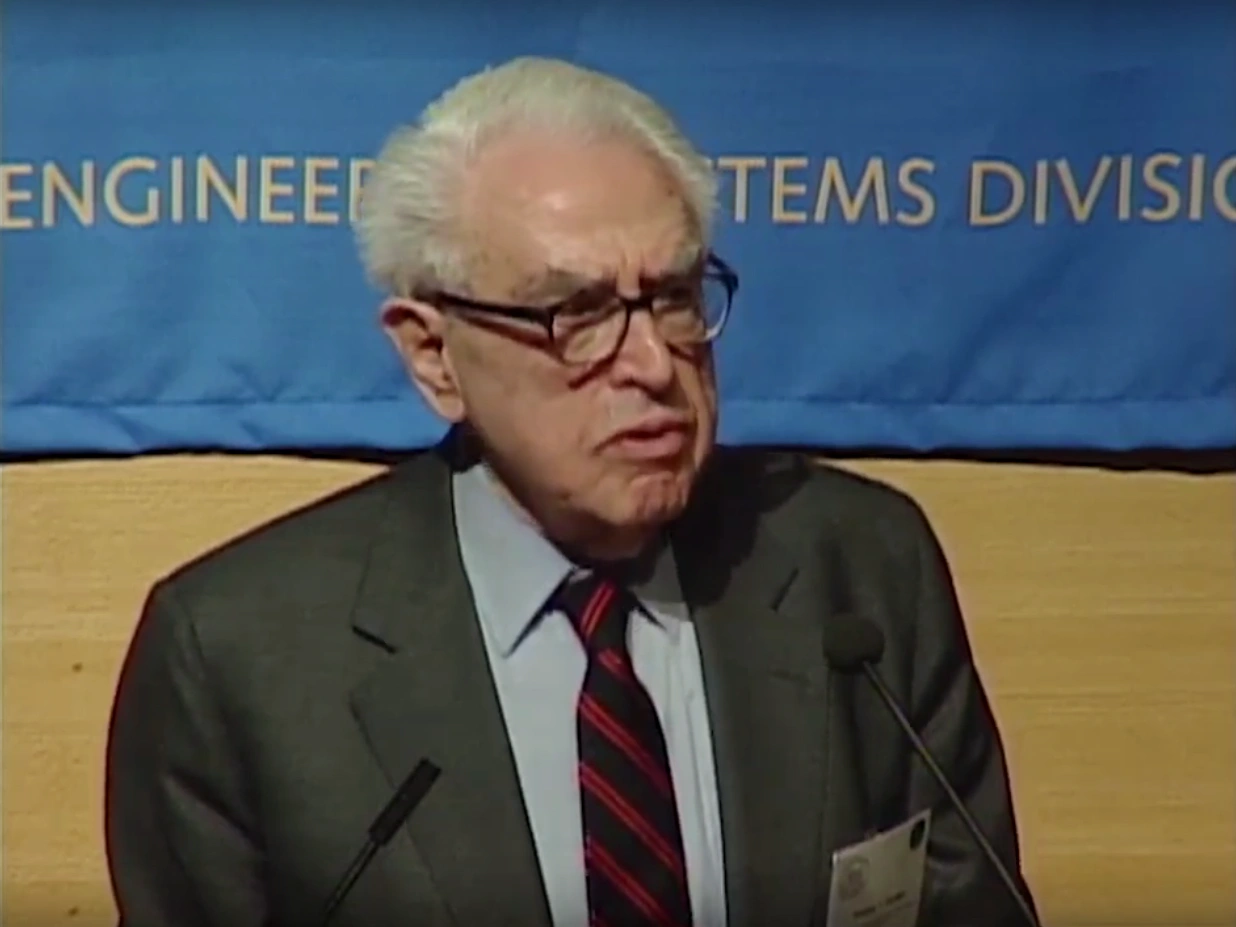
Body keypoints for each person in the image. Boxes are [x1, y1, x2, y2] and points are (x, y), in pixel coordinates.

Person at [105, 57, 1037, 927]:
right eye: (577, 314)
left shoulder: (861, 571)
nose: (654, 364)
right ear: (433, 355)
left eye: (673, 296)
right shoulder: (236, 658)